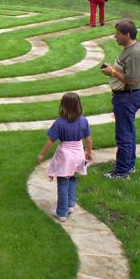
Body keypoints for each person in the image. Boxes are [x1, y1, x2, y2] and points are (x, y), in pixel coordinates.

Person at [37, 92, 93, 222]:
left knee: (63, 182)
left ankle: (61, 213)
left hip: (65, 156)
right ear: (79, 105)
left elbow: (50, 141)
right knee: (72, 177)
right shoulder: (83, 120)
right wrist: (88, 151)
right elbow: (88, 139)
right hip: (78, 154)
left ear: (63, 106)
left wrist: (42, 154)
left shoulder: (59, 123)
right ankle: (70, 204)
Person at [100, 20, 140, 179]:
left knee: (124, 135)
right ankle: (127, 164)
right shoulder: (130, 49)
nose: (115, 36)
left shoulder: (134, 54)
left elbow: (132, 80)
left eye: (118, 34)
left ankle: (122, 172)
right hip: (126, 96)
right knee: (129, 133)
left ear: (127, 35)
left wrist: (112, 72)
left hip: (127, 97)